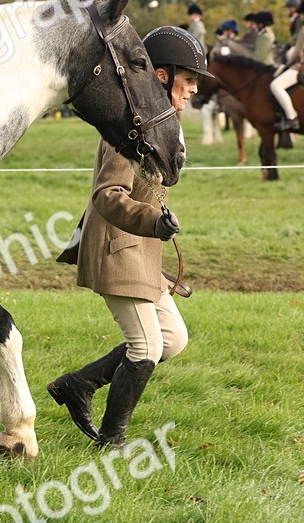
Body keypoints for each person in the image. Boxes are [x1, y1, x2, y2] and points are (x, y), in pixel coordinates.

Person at [48, 26, 207, 448]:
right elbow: (107, 195)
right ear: (161, 77)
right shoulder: (127, 129)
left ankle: (78, 384)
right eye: (189, 79)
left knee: (172, 339)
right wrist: (152, 222)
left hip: (143, 254)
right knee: (146, 346)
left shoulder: (161, 123)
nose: (194, 89)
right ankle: (111, 440)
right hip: (116, 249)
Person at [270, 0, 304, 131]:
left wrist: (287, 64)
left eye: (303, 13)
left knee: (275, 86)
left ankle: (291, 117)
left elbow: (298, 52)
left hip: (302, 65)